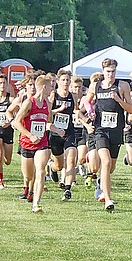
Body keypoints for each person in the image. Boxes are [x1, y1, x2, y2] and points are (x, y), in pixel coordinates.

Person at [83, 59, 132, 212]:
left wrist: (118, 100)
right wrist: (90, 112)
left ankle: (100, 182)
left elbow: (130, 109)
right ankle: (108, 199)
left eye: (113, 71)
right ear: (103, 71)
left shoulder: (122, 86)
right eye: (108, 71)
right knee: (104, 162)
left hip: (116, 130)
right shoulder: (96, 86)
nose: (110, 74)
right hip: (100, 130)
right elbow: (86, 101)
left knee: (110, 167)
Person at [13, 75, 66, 213]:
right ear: (44, 87)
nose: (52, 89)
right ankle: (29, 190)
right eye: (51, 87)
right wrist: (30, 135)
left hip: (42, 143)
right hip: (27, 143)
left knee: (41, 171)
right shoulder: (29, 103)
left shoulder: (48, 104)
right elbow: (17, 122)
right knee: (28, 176)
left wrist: (57, 130)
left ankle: (36, 204)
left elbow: (47, 123)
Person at [51, 70, 81, 201]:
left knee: (70, 159)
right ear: (58, 81)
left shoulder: (73, 96)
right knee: (59, 165)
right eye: (63, 80)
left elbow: (76, 111)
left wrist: (85, 118)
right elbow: (47, 113)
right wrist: (59, 109)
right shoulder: (53, 95)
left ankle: (68, 189)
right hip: (55, 133)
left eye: (68, 80)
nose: (65, 83)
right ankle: (52, 168)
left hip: (69, 132)